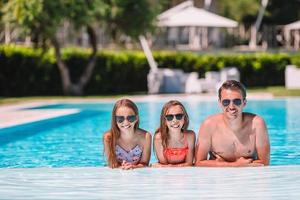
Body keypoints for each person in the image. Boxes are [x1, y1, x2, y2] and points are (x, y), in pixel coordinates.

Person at [195, 80, 270, 167]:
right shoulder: (208, 125)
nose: (231, 107)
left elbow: (264, 163)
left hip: (247, 177)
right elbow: (198, 162)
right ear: (220, 103)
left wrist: (221, 163)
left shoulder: (257, 124)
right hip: (218, 177)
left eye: (237, 101)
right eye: (226, 102)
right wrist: (236, 165)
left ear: (244, 102)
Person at [103, 98, 151, 169]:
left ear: (136, 118)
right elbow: (112, 164)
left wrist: (133, 167)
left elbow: (145, 163)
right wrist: (123, 168)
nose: (126, 122)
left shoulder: (145, 137)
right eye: (120, 119)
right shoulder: (109, 138)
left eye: (130, 118)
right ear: (115, 120)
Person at [152, 100, 195, 167]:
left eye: (179, 116)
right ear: (164, 121)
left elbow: (189, 164)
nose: (174, 120)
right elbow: (164, 166)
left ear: (184, 118)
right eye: (169, 117)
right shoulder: (159, 138)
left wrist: (170, 166)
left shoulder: (190, 136)